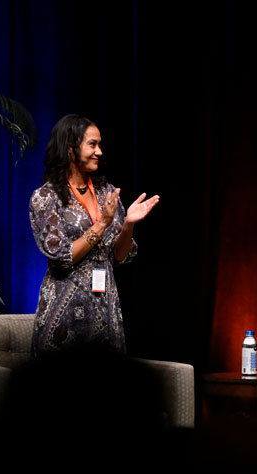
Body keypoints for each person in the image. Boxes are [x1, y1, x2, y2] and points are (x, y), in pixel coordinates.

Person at [30, 114, 159, 354]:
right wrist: (102, 224)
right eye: (92, 144)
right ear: (70, 149)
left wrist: (129, 223)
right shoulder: (46, 198)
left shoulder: (105, 193)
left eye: (100, 145)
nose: (99, 151)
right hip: (64, 316)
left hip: (105, 309)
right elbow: (61, 260)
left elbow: (120, 257)